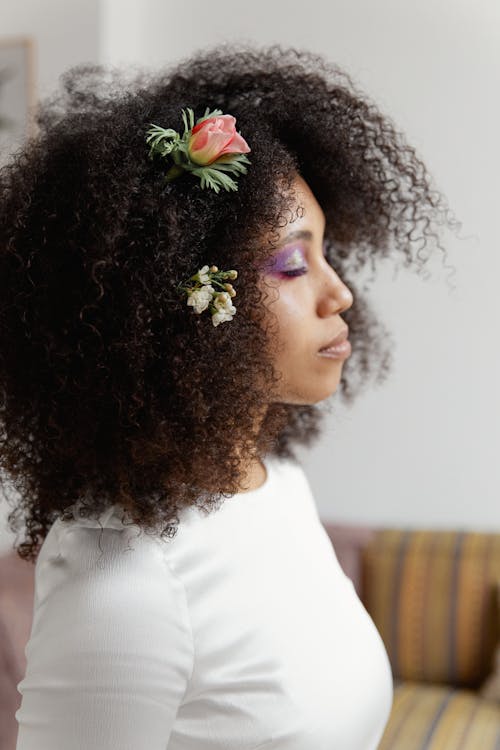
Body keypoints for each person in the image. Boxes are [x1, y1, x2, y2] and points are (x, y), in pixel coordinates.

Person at [0, 41, 455, 749]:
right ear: (183, 306)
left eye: (327, 253)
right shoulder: (120, 579)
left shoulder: (275, 484)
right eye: (292, 264)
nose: (340, 293)